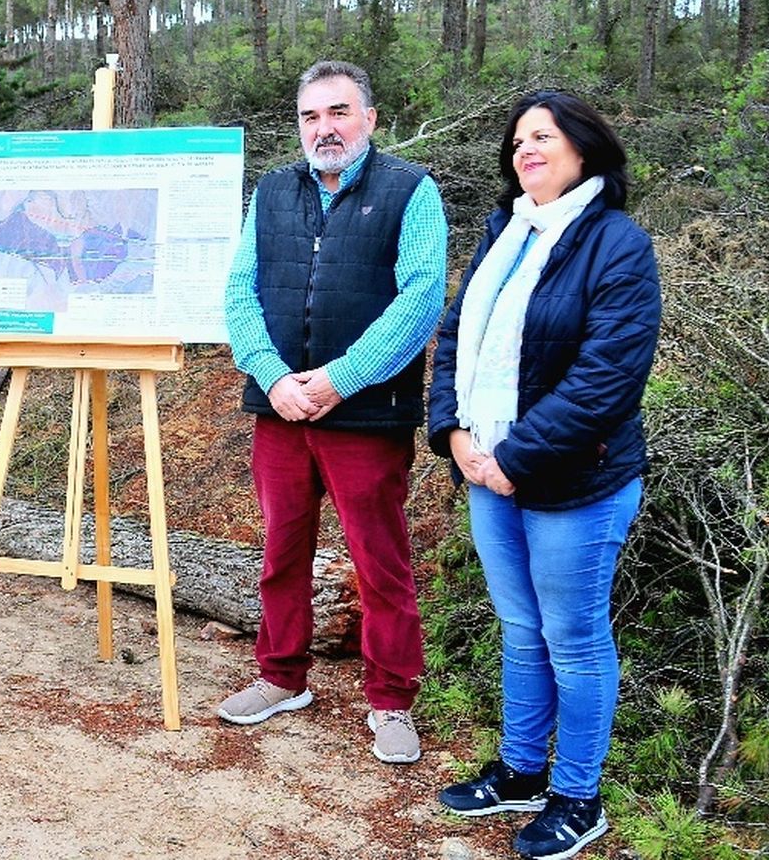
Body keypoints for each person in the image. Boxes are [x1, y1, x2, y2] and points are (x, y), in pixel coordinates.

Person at [426, 91, 660, 860]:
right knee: (522, 631)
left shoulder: (617, 244)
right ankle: (522, 772)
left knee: (574, 639)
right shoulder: (507, 230)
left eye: (544, 136)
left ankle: (577, 796)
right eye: (519, 139)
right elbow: (457, 336)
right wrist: (453, 432)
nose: (526, 149)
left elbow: (606, 379)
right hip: (486, 471)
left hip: (575, 485)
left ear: (584, 149)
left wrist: (511, 459)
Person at [218, 60, 448, 766]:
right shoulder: (273, 191)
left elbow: (420, 298)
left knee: (380, 563)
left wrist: (340, 380)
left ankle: (391, 700)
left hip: (366, 415)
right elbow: (240, 291)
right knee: (281, 552)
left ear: (370, 119)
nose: (325, 128)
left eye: (339, 112)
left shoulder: (411, 190)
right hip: (281, 409)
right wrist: (273, 377)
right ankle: (281, 677)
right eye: (311, 116)